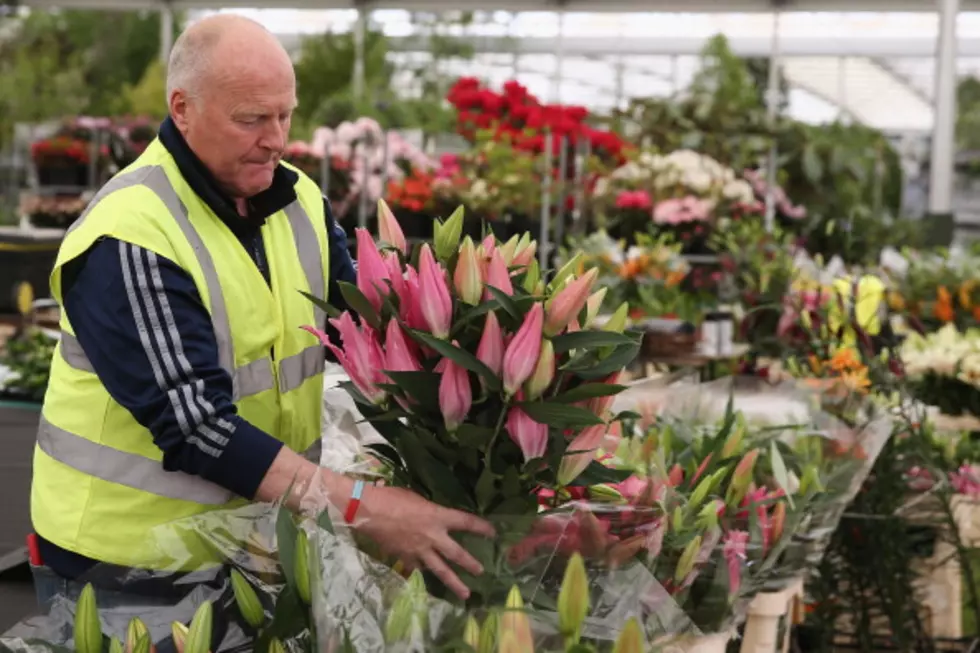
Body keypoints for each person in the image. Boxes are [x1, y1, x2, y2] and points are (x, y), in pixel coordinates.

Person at [28, 13, 493, 610]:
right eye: (252, 119)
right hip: (126, 564)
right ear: (182, 109)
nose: (276, 138)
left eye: (285, 115)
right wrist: (361, 507)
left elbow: (364, 338)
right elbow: (196, 424)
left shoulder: (298, 197)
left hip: (257, 543)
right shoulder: (131, 235)